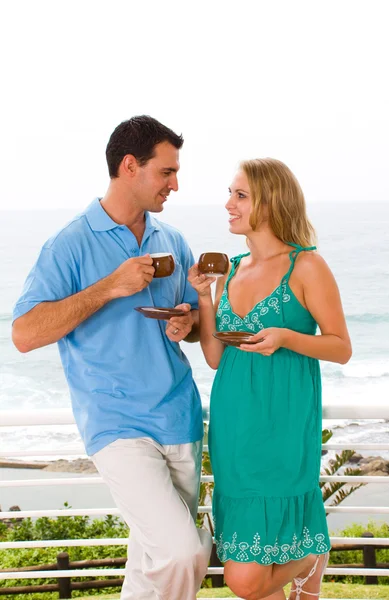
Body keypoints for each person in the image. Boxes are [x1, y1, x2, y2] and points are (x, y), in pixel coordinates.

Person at [12, 115, 212, 600]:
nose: (176, 184)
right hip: (116, 423)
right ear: (130, 166)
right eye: (166, 172)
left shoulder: (172, 240)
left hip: (180, 416)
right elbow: (24, 333)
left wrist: (188, 322)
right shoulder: (69, 244)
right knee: (184, 552)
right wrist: (109, 287)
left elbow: (195, 325)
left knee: (152, 561)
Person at [188, 158, 352, 600]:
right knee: (261, 584)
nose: (228, 204)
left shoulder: (306, 266)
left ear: (270, 201)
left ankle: (311, 554)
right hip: (233, 429)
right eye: (230, 194)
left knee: (244, 581)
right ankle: (303, 564)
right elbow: (216, 357)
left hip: (281, 426)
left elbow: (341, 346)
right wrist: (205, 297)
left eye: (240, 195)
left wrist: (287, 336)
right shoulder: (233, 269)